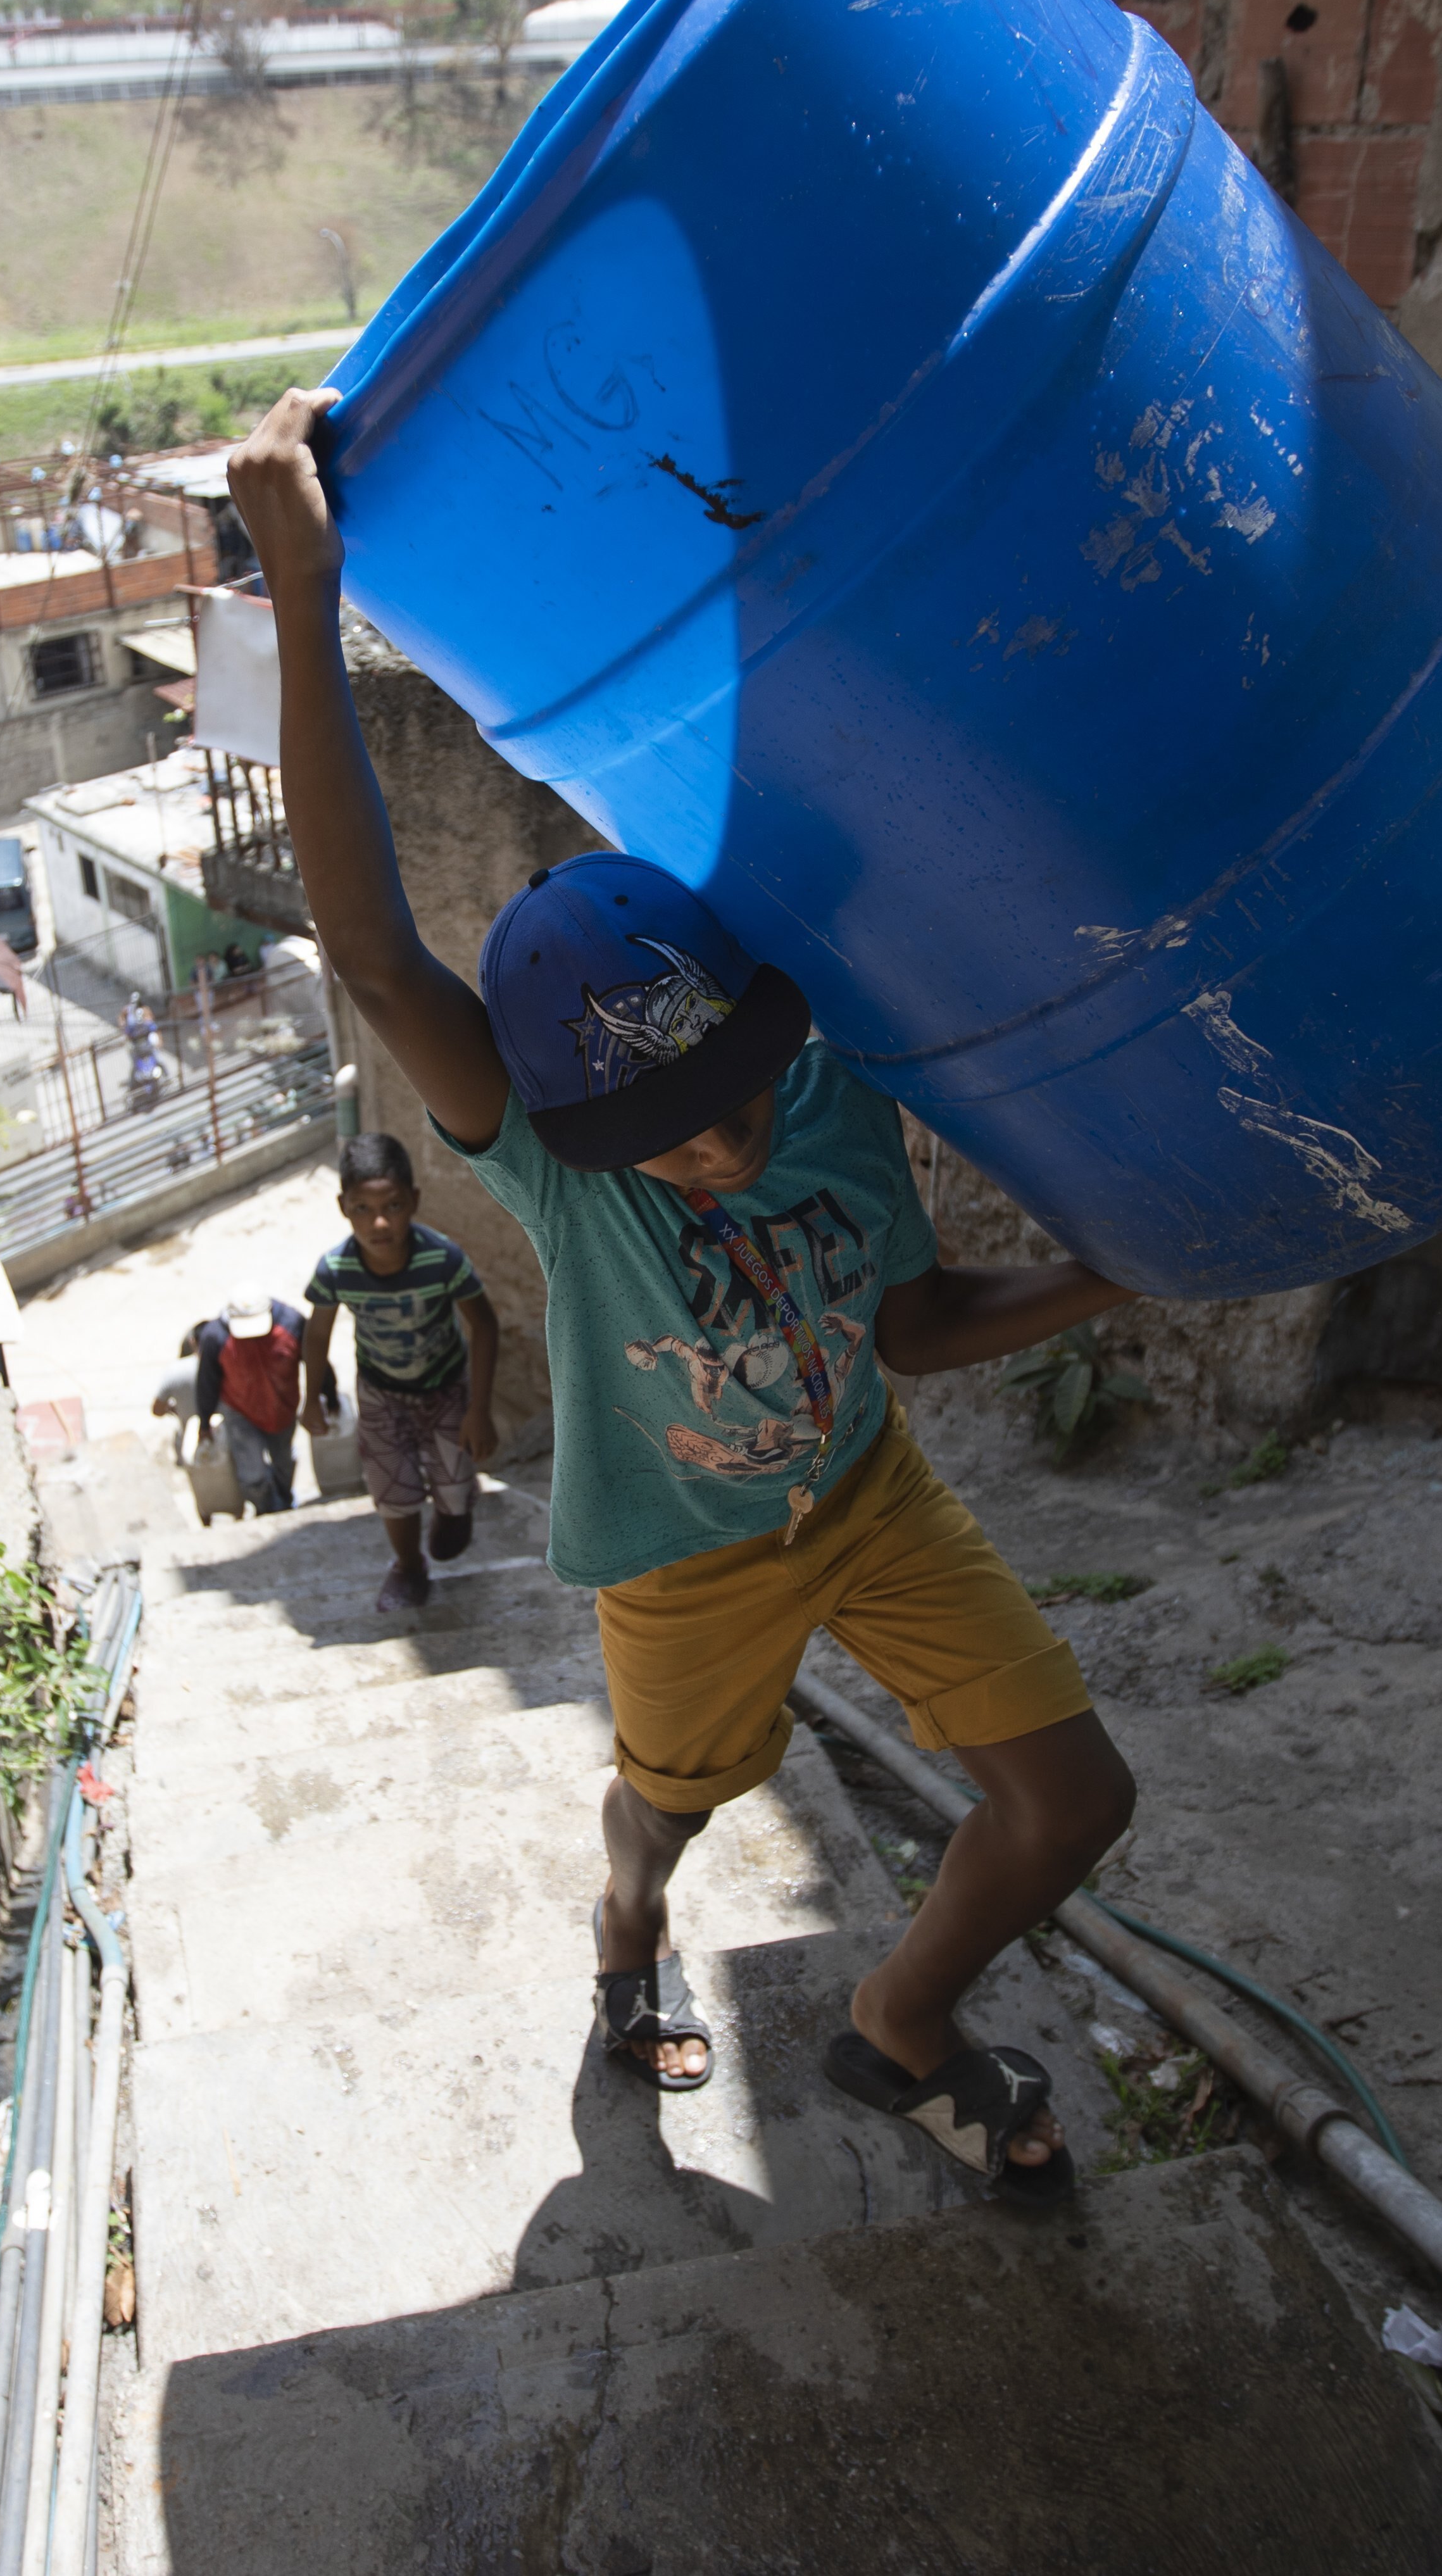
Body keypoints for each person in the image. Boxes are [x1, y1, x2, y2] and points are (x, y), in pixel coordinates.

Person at [223, 386, 1139, 2197]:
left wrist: (1106, 1277)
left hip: (868, 1496)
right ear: (564, 1125)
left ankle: (902, 2023)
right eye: (662, 1135)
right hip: (680, 1558)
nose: (718, 1152)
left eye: (729, 1102)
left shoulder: (830, 1091)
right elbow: (375, 955)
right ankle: (626, 1936)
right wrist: (304, 593)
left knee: (1078, 1801)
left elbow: (903, 1323)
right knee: (675, 1806)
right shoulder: (554, 1165)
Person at [300, 1133, 500, 1613]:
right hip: (380, 1394)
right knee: (393, 1491)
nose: (381, 1222)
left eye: (393, 1204)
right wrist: (310, 1398)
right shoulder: (335, 1270)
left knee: (452, 1499)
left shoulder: (442, 1259)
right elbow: (316, 1335)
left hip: (446, 1390)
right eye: (363, 1208)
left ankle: (455, 1507)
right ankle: (408, 1567)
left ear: (414, 1200)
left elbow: (484, 1325)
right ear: (344, 1207)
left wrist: (479, 1409)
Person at [183, 1290, 320, 1516]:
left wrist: (325, 1396)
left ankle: (284, 1501)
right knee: (253, 1475)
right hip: (241, 1413)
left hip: (283, 1408)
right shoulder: (215, 1337)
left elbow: (316, 1360)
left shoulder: (292, 1323)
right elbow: (207, 1382)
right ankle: (266, 1508)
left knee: (284, 1462)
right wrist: (204, 1423)